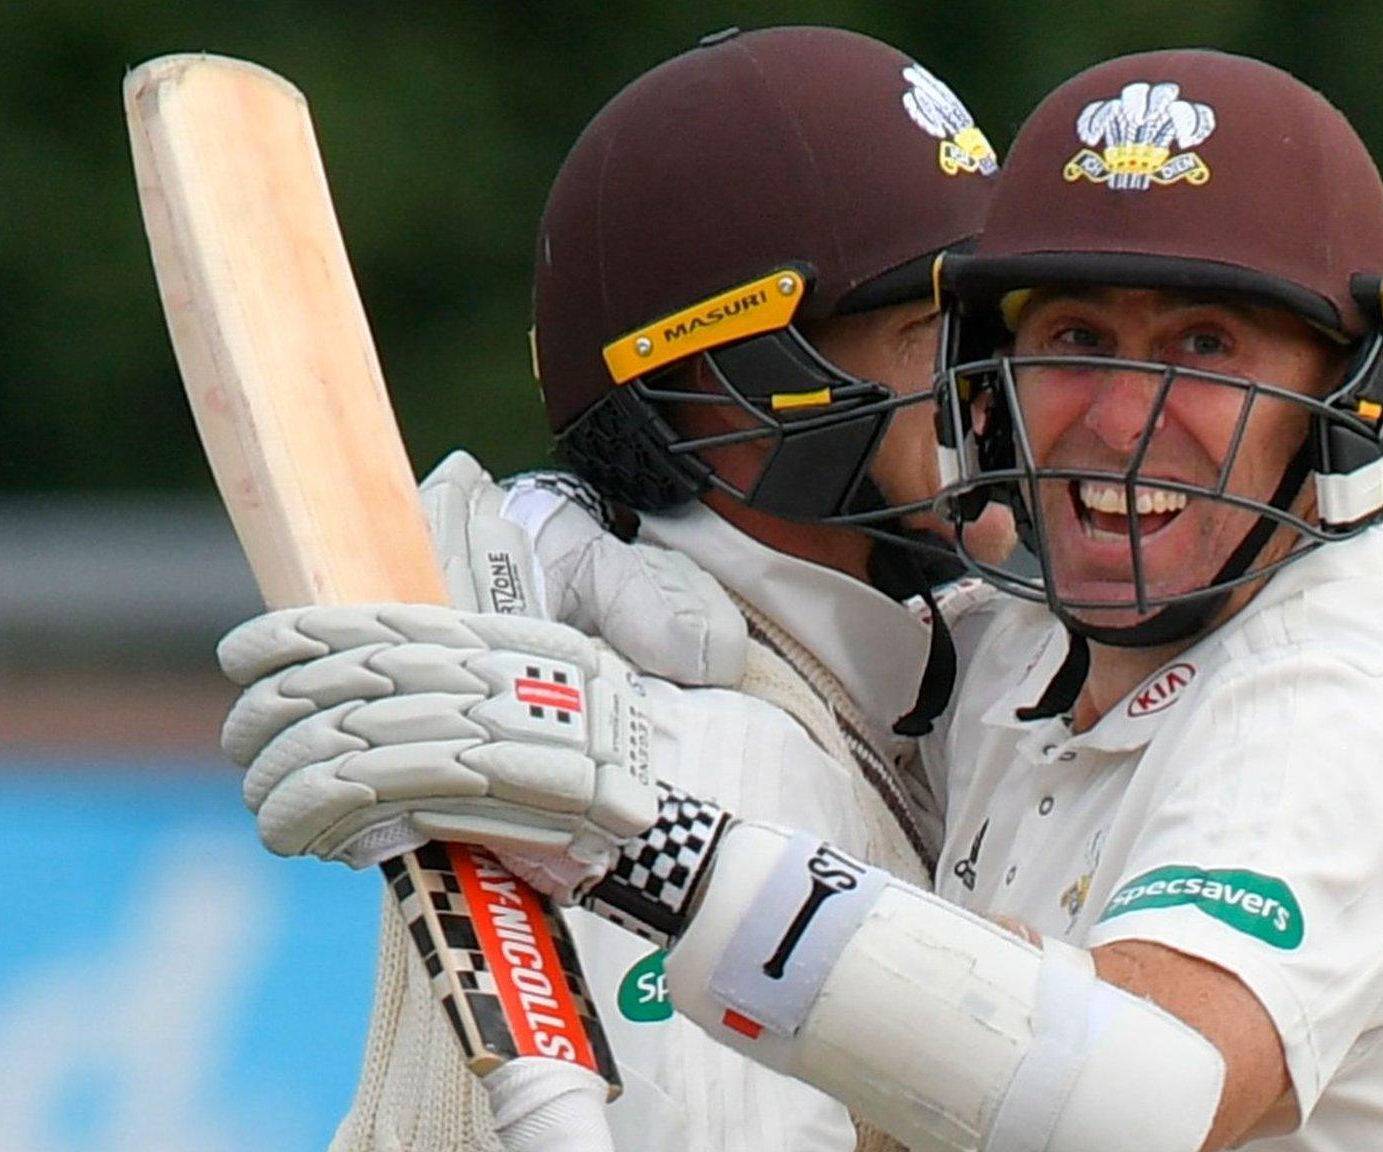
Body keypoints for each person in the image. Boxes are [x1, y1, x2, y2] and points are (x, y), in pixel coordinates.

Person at [221, 49, 1383, 1152]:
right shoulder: (1003, 664)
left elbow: (1134, 1098)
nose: (1121, 418)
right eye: (1074, 342)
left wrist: (645, 840)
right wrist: (510, 574)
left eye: (1205, 347)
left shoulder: (1331, 715)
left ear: (1348, 405)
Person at [273, 25, 1007, 1152]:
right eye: (937, 333)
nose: (1000, 388)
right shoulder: (708, 754)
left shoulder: (865, 696)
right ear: (734, 381)